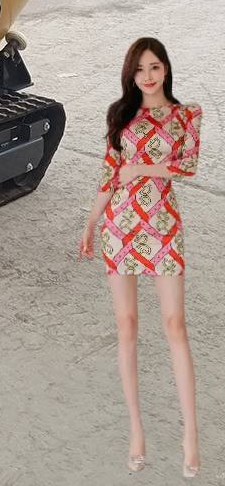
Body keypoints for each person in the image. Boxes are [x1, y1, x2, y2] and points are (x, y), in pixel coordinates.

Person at [78, 37, 203, 478]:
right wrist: (91, 222)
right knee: (127, 325)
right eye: (139, 69)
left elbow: (188, 166)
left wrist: (143, 168)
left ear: (165, 69)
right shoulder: (120, 114)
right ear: (131, 75)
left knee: (175, 325)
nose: (147, 76)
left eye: (154, 67)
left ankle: (190, 436)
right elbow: (109, 172)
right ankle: (136, 432)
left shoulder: (185, 115)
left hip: (163, 226)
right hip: (120, 227)